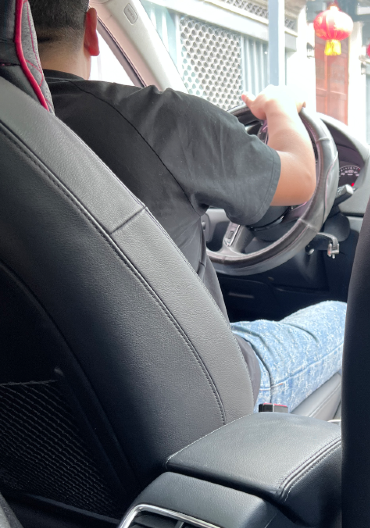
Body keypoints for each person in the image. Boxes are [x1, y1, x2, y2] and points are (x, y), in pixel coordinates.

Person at [29, 0, 346, 412]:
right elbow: (302, 178)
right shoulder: (160, 119)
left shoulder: (16, 130)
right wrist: (281, 108)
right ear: (92, 30)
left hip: (46, 402)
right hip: (196, 395)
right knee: (340, 317)